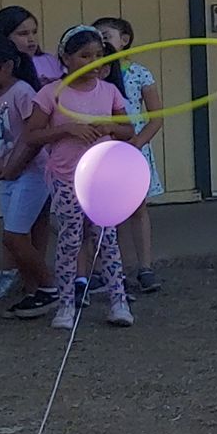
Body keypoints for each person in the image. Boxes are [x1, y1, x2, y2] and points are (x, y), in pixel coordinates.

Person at [23, 25, 136, 329]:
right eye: (85, 56)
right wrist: (66, 129)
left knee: (106, 239)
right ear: (66, 58)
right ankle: (66, 305)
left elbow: (128, 130)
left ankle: (119, 302)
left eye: (99, 56)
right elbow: (31, 135)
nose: (94, 62)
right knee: (70, 240)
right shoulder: (51, 93)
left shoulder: (109, 91)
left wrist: (110, 126)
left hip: (102, 177)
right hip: (66, 177)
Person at [0, 34, 59, 320]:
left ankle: (50, 287)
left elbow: (34, 137)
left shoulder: (22, 92)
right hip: (6, 176)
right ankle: (33, 292)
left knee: (14, 236)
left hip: (31, 173)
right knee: (16, 237)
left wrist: (15, 167)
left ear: (7, 66)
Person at [94, 16, 163, 294]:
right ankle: (111, 269)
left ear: (124, 40)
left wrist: (137, 143)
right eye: (96, 36)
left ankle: (145, 267)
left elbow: (156, 117)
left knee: (138, 208)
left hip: (133, 150)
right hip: (101, 151)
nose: (102, 41)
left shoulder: (139, 73)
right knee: (107, 213)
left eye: (107, 35)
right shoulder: (92, 75)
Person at [0, 6, 65, 84]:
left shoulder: (49, 61)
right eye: (23, 34)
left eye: (34, 32)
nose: (31, 39)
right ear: (4, 37)